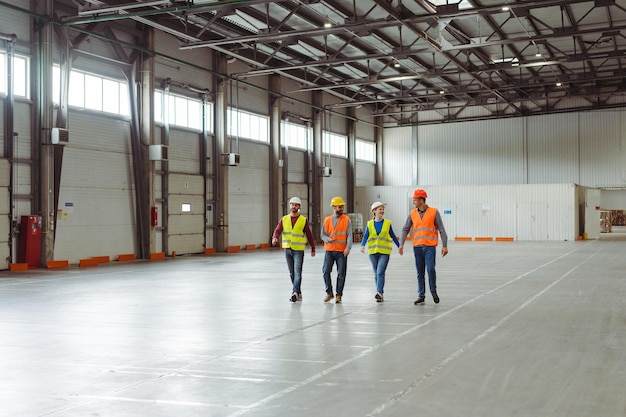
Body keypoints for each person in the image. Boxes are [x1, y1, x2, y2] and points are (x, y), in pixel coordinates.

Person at [399, 189, 448, 305]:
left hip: (430, 247)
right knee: (420, 272)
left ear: (421, 200)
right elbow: (405, 228)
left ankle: (433, 290)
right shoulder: (412, 213)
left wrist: (444, 245)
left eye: (415, 200)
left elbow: (441, 229)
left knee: (430, 269)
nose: (413, 202)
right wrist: (401, 244)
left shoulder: (434, 212)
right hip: (417, 247)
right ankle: (421, 295)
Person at [272, 196, 316, 302]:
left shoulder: (303, 220)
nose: (293, 206)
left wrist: (313, 248)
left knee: (297, 272)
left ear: (299, 207)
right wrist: (274, 238)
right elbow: (277, 230)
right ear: (290, 206)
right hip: (287, 249)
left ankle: (294, 292)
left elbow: (309, 235)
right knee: (291, 273)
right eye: (292, 204)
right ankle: (298, 291)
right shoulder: (284, 219)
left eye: (296, 205)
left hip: (298, 250)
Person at [361, 202, 400, 302]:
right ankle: (380, 294)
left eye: (383, 209)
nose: (382, 211)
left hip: (384, 252)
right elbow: (366, 235)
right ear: (374, 211)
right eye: (380, 209)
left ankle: (379, 292)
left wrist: (400, 246)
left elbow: (392, 235)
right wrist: (362, 245)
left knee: (380, 272)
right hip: (373, 252)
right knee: (376, 274)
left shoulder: (387, 223)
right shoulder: (369, 224)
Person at [321, 196, 352, 303]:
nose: (341, 209)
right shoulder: (327, 220)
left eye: (342, 207)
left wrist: (348, 248)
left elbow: (349, 235)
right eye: (339, 207)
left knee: (341, 274)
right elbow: (322, 235)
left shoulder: (346, 219)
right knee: (325, 271)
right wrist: (327, 239)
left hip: (341, 251)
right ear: (334, 207)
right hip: (329, 250)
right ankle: (329, 293)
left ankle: (339, 295)